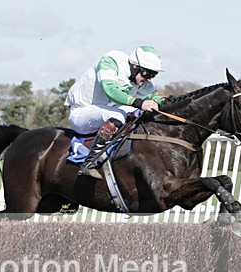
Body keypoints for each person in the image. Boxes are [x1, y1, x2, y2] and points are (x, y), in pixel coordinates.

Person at [66, 45, 166, 178]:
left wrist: (171, 103)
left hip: (104, 111)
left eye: (153, 74)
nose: (149, 78)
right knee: (118, 114)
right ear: (135, 66)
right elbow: (111, 91)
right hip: (81, 113)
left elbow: (154, 95)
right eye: (147, 73)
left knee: (136, 113)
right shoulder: (110, 61)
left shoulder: (140, 78)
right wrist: (140, 103)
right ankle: (89, 162)